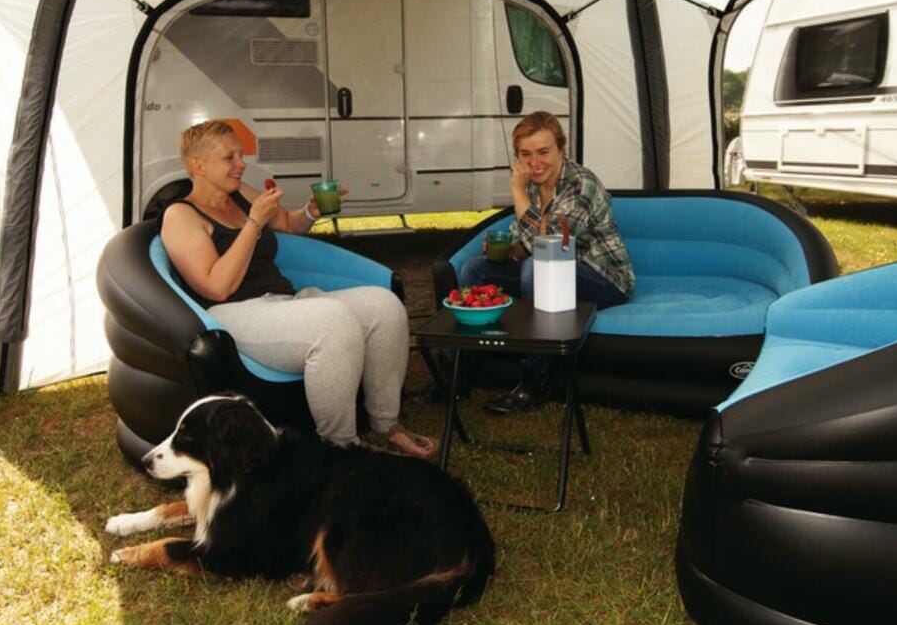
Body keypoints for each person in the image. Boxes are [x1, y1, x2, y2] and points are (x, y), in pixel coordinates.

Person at [159, 119, 436, 459]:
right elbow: (217, 287)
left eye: (240, 155)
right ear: (197, 165)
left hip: (282, 301)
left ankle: (386, 425)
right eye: (229, 157)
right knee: (333, 321)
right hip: (232, 313)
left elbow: (288, 223)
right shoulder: (181, 215)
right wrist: (253, 223)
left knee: (385, 305)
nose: (241, 164)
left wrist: (310, 212)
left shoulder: (241, 194)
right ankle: (340, 449)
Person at [458, 111, 634, 414]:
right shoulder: (531, 184)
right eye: (525, 154)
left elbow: (551, 246)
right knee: (475, 269)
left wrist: (516, 191)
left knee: (536, 269)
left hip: (604, 278)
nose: (534, 162)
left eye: (543, 152)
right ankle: (463, 370)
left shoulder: (582, 184)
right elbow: (525, 243)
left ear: (561, 149)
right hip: (554, 270)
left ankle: (534, 380)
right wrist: (507, 249)